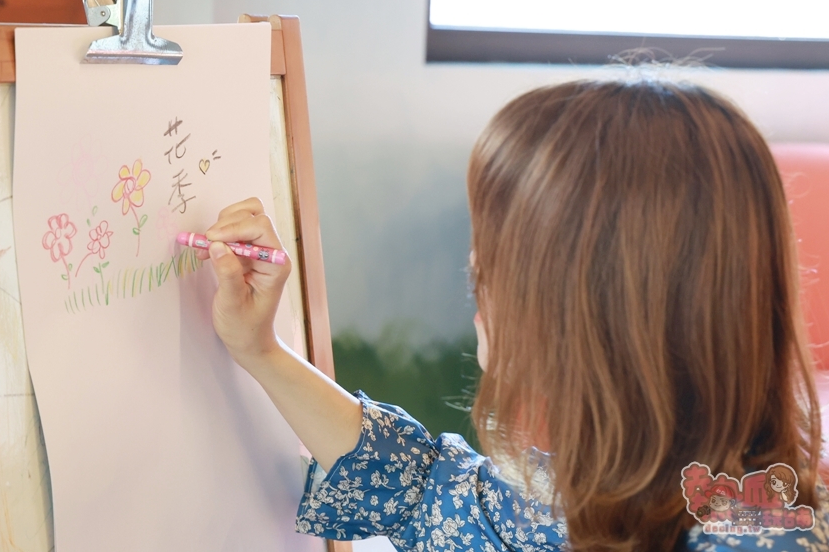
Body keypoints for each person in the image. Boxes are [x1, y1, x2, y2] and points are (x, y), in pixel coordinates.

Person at [197, 79, 829, 551]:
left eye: (494, 272)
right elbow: (419, 492)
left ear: (595, 316)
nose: (477, 289)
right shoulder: (607, 486)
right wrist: (261, 348)